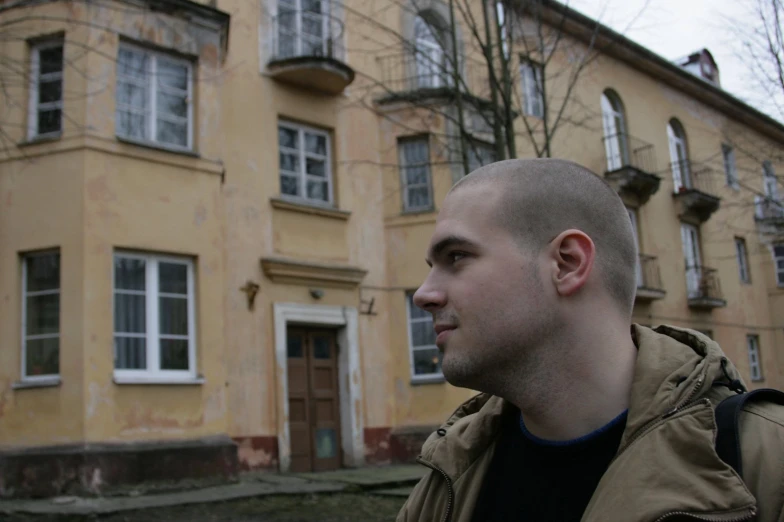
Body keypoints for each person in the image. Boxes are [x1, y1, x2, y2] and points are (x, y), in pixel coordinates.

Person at [397, 158, 784, 522]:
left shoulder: (765, 459)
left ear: (567, 263)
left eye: (457, 256)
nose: (424, 295)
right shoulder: (449, 471)